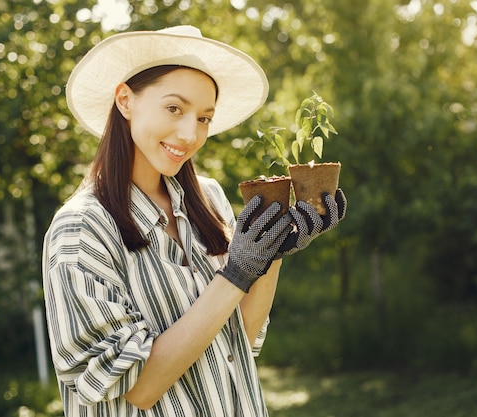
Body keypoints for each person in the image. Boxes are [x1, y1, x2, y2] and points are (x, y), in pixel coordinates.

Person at [42, 25, 347, 417]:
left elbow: (241, 338)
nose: (190, 133)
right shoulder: (81, 229)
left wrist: (272, 254)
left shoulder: (209, 199)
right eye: (174, 108)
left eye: (204, 118)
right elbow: (139, 387)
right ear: (125, 101)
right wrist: (237, 273)